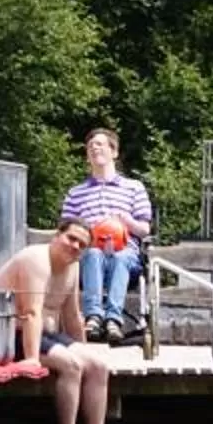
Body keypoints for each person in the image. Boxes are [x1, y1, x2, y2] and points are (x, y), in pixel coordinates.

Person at [0, 221, 126, 424]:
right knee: (71, 365)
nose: (75, 246)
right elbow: (31, 312)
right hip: (13, 334)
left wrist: (85, 350)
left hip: (48, 335)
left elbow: (73, 315)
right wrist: (32, 359)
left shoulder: (73, 266)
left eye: (81, 244)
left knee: (98, 365)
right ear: (56, 236)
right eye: (71, 239)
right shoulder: (36, 259)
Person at [57, 129, 153, 344]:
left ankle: (113, 319)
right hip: (88, 251)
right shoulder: (76, 193)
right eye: (91, 146)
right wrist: (85, 230)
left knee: (121, 257)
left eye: (100, 144)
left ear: (114, 152)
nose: (94, 148)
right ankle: (93, 316)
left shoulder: (134, 188)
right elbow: (65, 230)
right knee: (92, 253)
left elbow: (145, 229)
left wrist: (126, 221)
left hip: (126, 251)